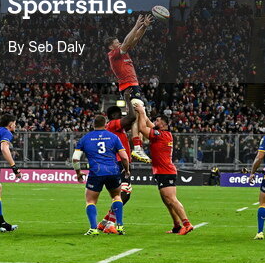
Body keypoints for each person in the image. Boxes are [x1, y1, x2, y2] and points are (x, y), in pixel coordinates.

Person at [105, 15, 154, 163]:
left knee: (140, 113)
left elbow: (134, 39)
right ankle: (138, 147)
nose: (119, 44)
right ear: (111, 46)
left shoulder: (123, 52)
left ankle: (141, 144)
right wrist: (136, 25)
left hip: (134, 85)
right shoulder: (113, 54)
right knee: (138, 111)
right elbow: (127, 41)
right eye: (116, 43)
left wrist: (144, 27)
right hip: (128, 86)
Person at [73, 114, 130, 235]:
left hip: (96, 172)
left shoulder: (85, 138)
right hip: (113, 171)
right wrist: (127, 170)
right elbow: (124, 157)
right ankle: (119, 226)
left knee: (91, 201)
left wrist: (78, 173)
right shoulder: (113, 137)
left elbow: (75, 159)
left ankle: (94, 229)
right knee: (116, 197)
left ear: (93, 124)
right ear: (105, 124)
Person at [138, 109, 193, 235]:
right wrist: (142, 110)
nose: (154, 122)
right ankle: (177, 226)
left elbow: (142, 127)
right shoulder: (163, 133)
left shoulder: (160, 135)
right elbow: (146, 121)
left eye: (157, 121)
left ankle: (187, 224)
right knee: (167, 202)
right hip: (162, 171)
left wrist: (141, 113)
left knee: (171, 199)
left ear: (163, 124)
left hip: (165, 171)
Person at [96, 101, 146, 229]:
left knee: (122, 193)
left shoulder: (117, 128)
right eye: (119, 114)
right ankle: (110, 223)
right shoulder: (113, 124)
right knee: (124, 193)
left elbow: (133, 121)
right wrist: (128, 98)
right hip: (119, 163)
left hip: (116, 163)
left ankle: (104, 222)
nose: (121, 116)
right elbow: (131, 118)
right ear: (113, 115)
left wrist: (140, 112)